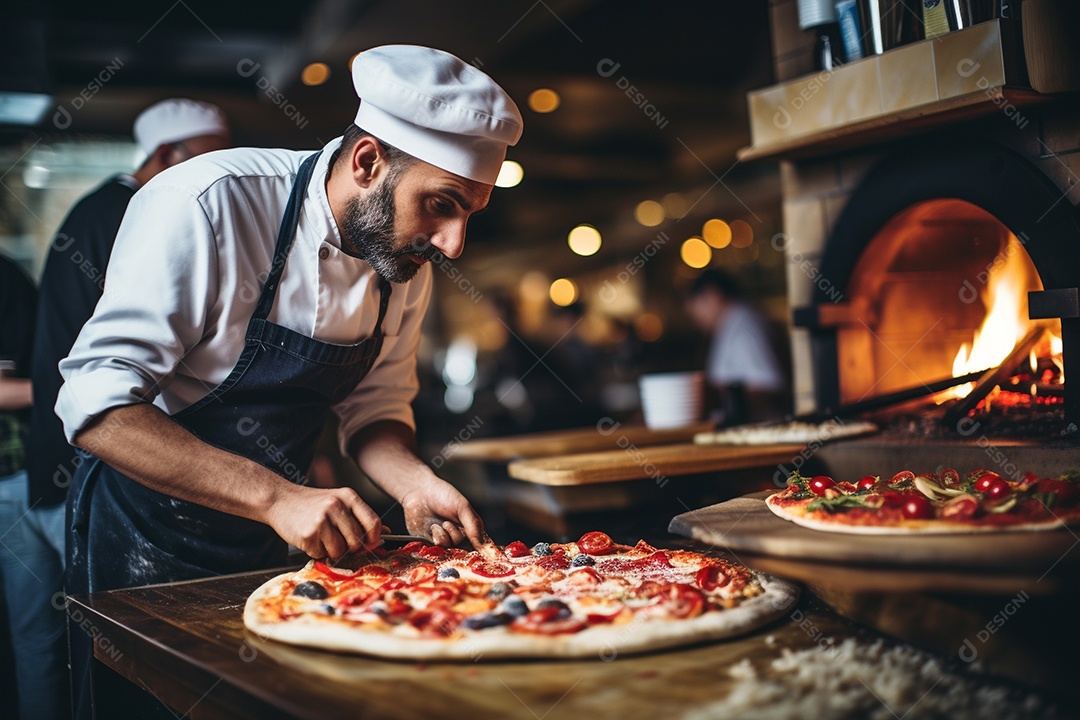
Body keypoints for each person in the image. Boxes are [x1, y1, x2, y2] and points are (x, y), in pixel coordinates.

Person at [57, 45, 521, 718]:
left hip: (269, 542)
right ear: (368, 162)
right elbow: (95, 406)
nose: (452, 243)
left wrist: (413, 483)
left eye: (468, 215)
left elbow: (376, 407)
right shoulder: (208, 203)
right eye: (441, 204)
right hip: (142, 536)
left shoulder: (400, 259)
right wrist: (276, 496)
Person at [0, 254, 67, 720]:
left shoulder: (6, 278)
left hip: (22, 481)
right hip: (20, 482)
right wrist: (66, 388)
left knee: (37, 638)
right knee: (44, 637)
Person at [684, 268, 789, 424]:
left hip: (759, 428)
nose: (696, 319)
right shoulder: (729, 325)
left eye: (695, 308)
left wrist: (712, 394)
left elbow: (770, 385)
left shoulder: (744, 327)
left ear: (713, 296)